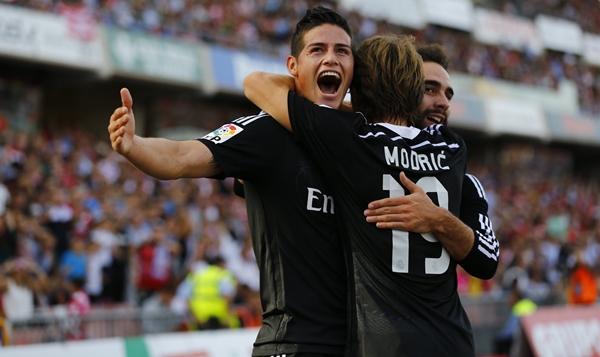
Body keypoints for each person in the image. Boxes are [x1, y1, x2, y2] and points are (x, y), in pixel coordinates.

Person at [110, 6, 354, 356]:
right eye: (317, 50)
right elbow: (181, 157)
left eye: (341, 51)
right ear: (293, 68)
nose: (331, 58)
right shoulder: (267, 132)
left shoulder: (363, 140)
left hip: (359, 345)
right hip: (294, 344)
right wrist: (134, 146)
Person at [243, 34, 474, 356]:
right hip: (453, 340)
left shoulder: (353, 141)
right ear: (413, 93)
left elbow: (256, 84)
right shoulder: (453, 148)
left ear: (359, 89)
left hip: (386, 343)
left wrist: (342, 95)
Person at [363, 43, 499, 281]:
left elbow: (487, 262)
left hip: (441, 317)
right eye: (429, 90)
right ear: (402, 91)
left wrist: (437, 218)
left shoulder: (464, 181)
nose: (444, 103)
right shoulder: (360, 151)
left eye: (448, 94)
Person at [186, 255, 238, 330]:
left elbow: (186, 298)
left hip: (200, 317)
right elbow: (228, 297)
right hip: (220, 317)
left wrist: (195, 317)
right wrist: (227, 316)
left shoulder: (195, 276)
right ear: (219, 264)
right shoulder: (223, 275)